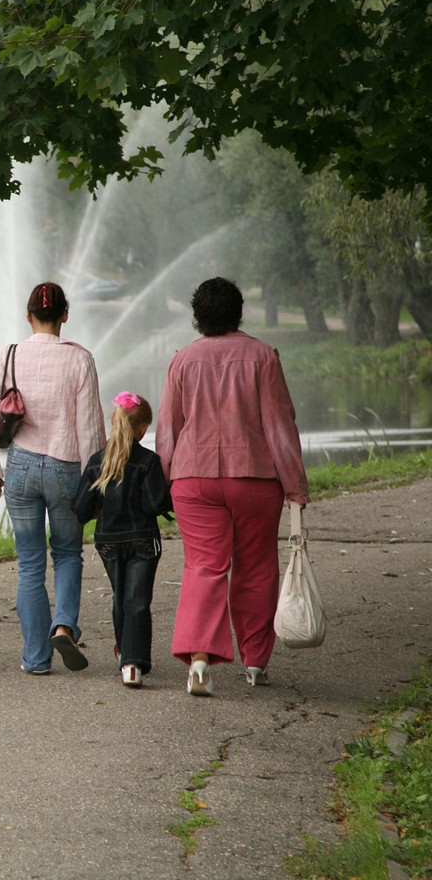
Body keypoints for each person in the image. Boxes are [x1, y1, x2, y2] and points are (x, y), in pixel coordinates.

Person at [156, 276, 309, 696]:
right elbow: (279, 426)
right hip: (255, 478)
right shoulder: (262, 357)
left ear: (196, 317)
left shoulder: (181, 361)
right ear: (239, 312)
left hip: (193, 479)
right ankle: (256, 661)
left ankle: (200, 659)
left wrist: (163, 479)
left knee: (203, 567)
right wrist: (295, 484)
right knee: (257, 567)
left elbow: (168, 429)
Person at [0, 281, 105, 675]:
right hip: (66, 467)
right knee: (68, 553)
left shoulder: (10, 353)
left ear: (28, 315)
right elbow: (90, 430)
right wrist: (94, 481)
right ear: (65, 314)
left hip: (21, 467)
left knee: (31, 561)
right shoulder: (80, 359)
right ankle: (64, 625)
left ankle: (35, 658)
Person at [74, 392, 172, 688]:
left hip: (108, 541)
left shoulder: (97, 461)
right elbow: (156, 504)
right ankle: (132, 662)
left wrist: (99, 510)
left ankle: (124, 653)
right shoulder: (148, 461)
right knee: (138, 600)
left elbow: (79, 508)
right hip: (143, 539)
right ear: (142, 428)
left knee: (121, 597)